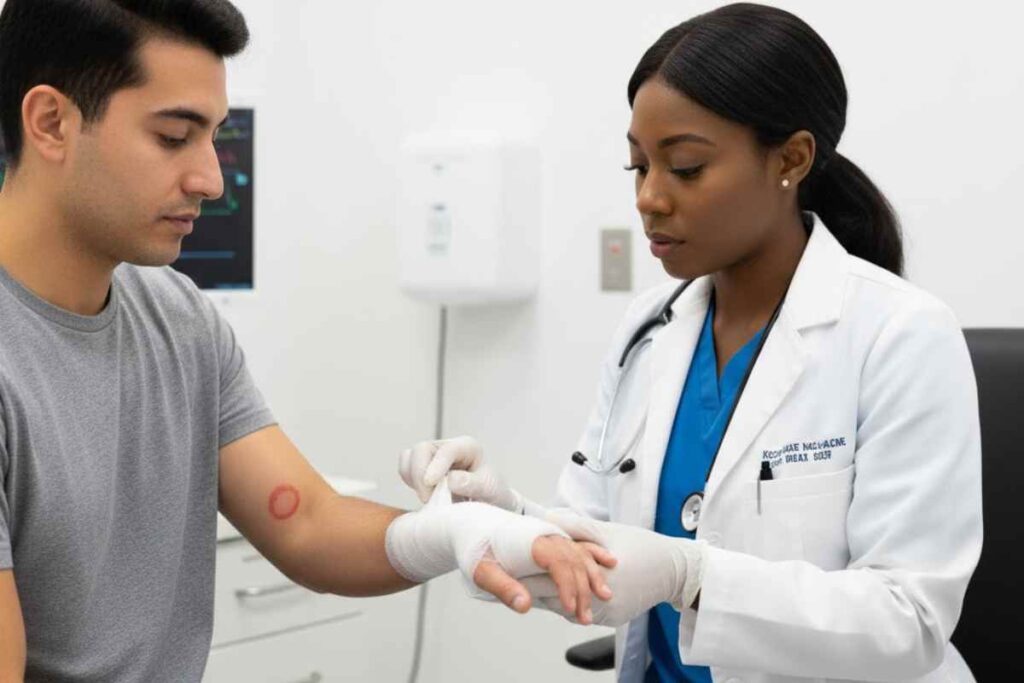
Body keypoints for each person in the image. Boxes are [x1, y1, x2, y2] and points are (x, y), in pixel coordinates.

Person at [0, 1, 614, 680]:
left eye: (212, 138)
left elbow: (308, 525)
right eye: (174, 136)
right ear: (51, 122)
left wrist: (456, 531)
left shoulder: (178, 319)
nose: (209, 178)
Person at [400, 3, 983, 682]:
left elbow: (907, 619)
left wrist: (694, 575)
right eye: (638, 167)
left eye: (685, 167)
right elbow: (597, 549)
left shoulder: (900, 336)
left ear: (791, 158)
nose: (649, 197)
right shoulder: (649, 330)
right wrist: (507, 516)